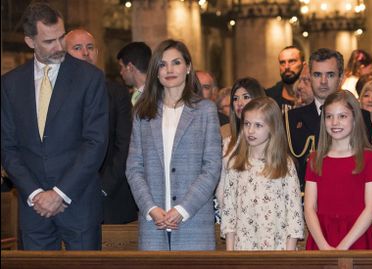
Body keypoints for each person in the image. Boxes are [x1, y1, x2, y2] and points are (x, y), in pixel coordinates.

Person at [1, 3, 108, 250]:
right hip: (33, 208)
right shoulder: (10, 84)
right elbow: (8, 147)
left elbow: (95, 142)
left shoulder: (89, 78)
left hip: (78, 202)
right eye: (49, 41)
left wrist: (59, 193)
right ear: (30, 42)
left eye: (61, 37)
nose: (60, 47)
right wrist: (35, 194)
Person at [126, 39, 221, 250]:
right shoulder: (143, 113)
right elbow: (134, 168)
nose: (169, 69)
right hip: (153, 225)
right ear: (156, 71)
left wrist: (182, 210)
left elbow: (212, 167)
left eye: (176, 62)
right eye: (162, 64)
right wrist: (150, 208)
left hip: (193, 222)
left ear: (188, 67)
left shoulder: (205, 111)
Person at [65, 28, 137, 224]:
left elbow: (124, 146)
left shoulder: (117, 93)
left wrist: (103, 187)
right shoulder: (55, 95)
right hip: (64, 195)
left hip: (109, 196)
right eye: (77, 48)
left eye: (90, 48)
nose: (85, 53)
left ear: (97, 53)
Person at [221, 97, 304, 250]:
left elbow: (294, 213)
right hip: (244, 248)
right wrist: (230, 254)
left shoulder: (285, 164)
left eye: (258, 125)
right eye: (247, 124)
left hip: (277, 248)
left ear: (272, 127)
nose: (250, 131)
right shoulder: (235, 164)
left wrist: (289, 254)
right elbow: (229, 213)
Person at [286, 48, 372, 190]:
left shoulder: (360, 117)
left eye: (330, 75)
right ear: (310, 77)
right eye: (317, 74)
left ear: (341, 78)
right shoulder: (292, 119)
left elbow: (363, 166)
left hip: (347, 195)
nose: (323, 81)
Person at [304, 90, 372, 250]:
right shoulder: (315, 159)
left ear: (354, 119)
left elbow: (371, 208)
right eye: (329, 116)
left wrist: (343, 247)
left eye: (342, 116)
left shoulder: (368, 158)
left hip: (357, 237)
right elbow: (309, 208)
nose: (334, 122)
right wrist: (324, 246)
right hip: (322, 238)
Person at [216, 77, 266, 211]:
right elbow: (222, 187)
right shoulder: (226, 144)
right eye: (235, 98)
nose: (239, 103)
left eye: (245, 97)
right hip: (234, 220)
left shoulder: (269, 142)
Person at [266, 46, 306, 114]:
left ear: (304, 65)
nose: (286, 67)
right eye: (282, 62)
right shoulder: (269, 97)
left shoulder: (313, 95)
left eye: (292, 61)